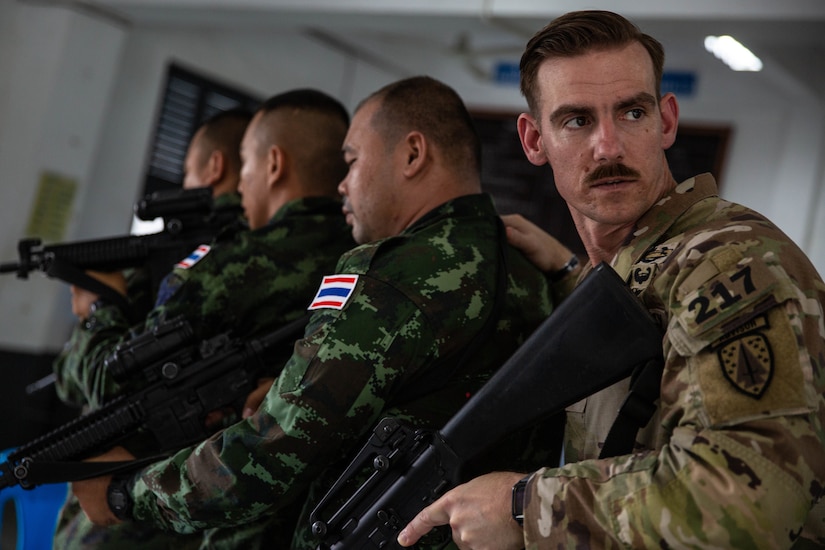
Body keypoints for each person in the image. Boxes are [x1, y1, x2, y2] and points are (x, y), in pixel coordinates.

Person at [69, 75, 562, 549]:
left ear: (412, 154)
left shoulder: (388, 275)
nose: (341, 185)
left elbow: (264, 459)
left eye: (350, 162)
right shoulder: (526, 265)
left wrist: (125, 493)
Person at [397, 10, 825, 550]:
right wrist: (574, 272)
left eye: (631, 113)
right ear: (534, 140)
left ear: (665, 122)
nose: (609, 146)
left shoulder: (731, 264)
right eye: (576, 120)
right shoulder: (631, 271)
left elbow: (752, 498)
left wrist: (524, 507)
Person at [51, 89, 356, 549]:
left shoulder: (224, 268)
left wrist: (100, 309)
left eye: (247, 166)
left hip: (158, 516)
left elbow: (115, 390)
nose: (241, 185)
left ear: (274, 165)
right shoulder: (363, 261)